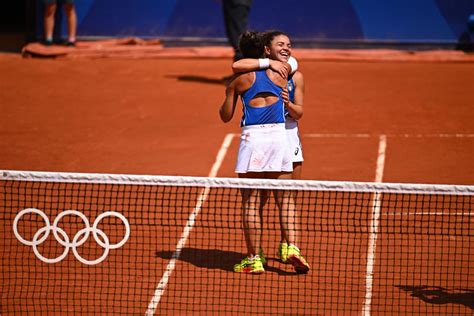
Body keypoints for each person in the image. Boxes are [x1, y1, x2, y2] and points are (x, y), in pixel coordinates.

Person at [219, 30, 309, 274]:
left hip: (253, 140)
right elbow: (292, 65)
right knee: (287, 199)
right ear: (265, 50)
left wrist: (230, 92)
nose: (287, 48)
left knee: (251, 202)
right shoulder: (285, 74)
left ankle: (253, 258)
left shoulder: (240, 80)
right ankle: (291, 247)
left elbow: (225, 116)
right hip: (280, 139)